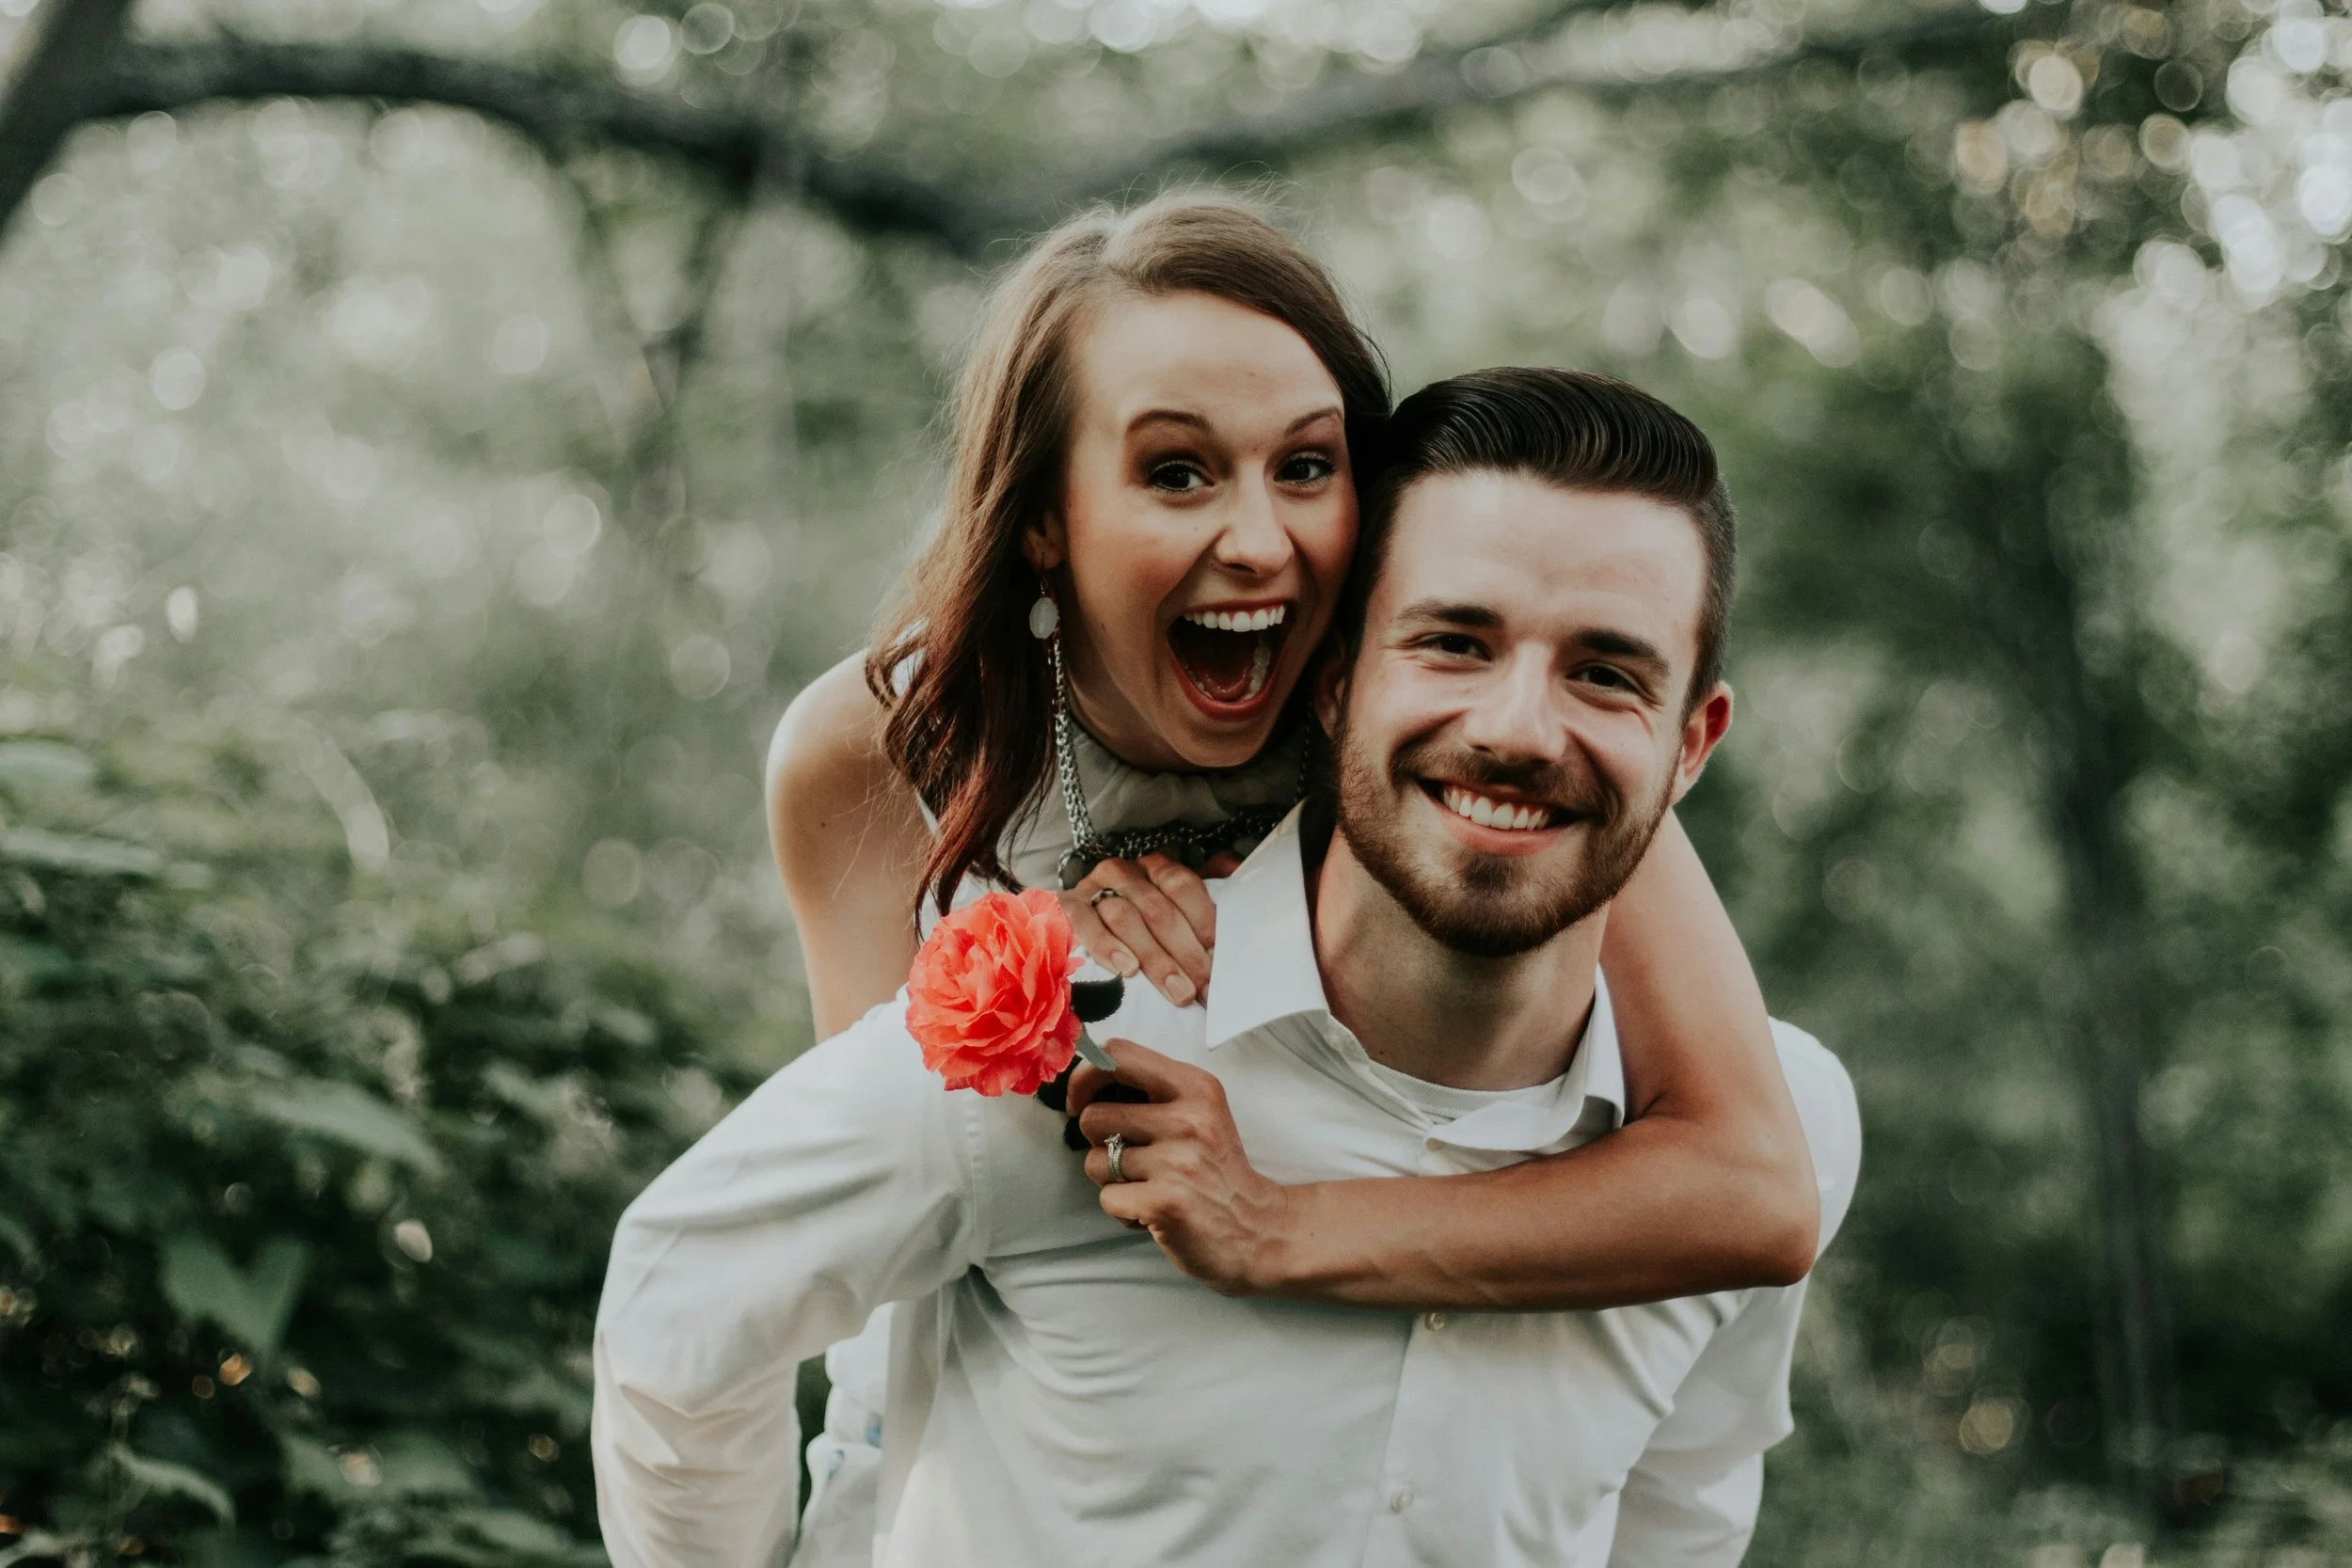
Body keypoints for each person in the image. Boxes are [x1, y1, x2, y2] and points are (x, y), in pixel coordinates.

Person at [594, 367, 1863, 1567]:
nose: (1518, 728)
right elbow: (681, 1310)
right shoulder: (1065, 1040)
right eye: (1454, 642)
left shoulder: (1782, 1123)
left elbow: (1678, 1509)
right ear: (1332, 679)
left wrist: (1282, 1225)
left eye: (1605, 671)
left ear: (1694, 741)